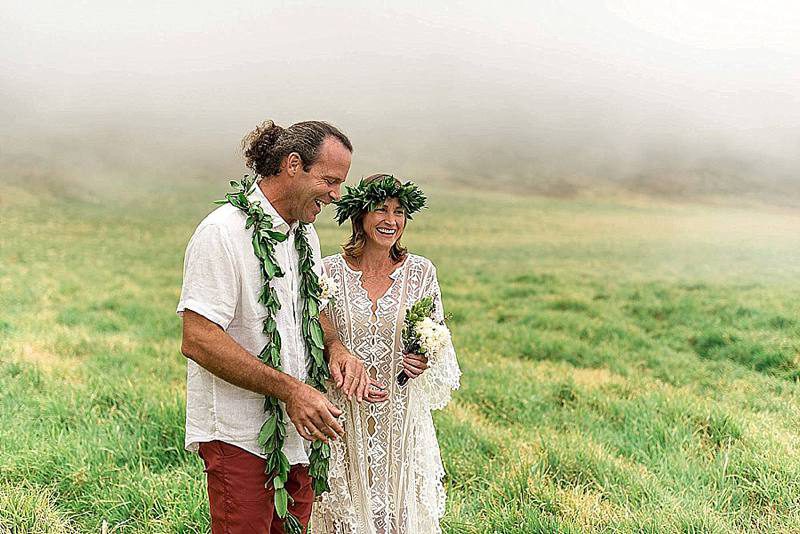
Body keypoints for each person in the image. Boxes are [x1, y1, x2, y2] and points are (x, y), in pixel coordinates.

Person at [177, 120, 387, 534]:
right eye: (329, 180)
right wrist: (291, 390)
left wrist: (336, 348)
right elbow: (198, 339)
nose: (336, 195)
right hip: (241, 435)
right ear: (293, 165)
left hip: (299, 434)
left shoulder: (305, 236)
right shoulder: (222, 232)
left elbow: (315, 306)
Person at [311, 174, 461, 534]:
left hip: (400, 415)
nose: (391, 220)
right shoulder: (328, 272)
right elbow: (314, 338)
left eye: (399, 212)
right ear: (360, 215)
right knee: (346, 513)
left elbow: (436, 338)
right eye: (380, 209)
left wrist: (423, 360)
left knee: (399, 511)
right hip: (345, 415)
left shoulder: (421, 272)